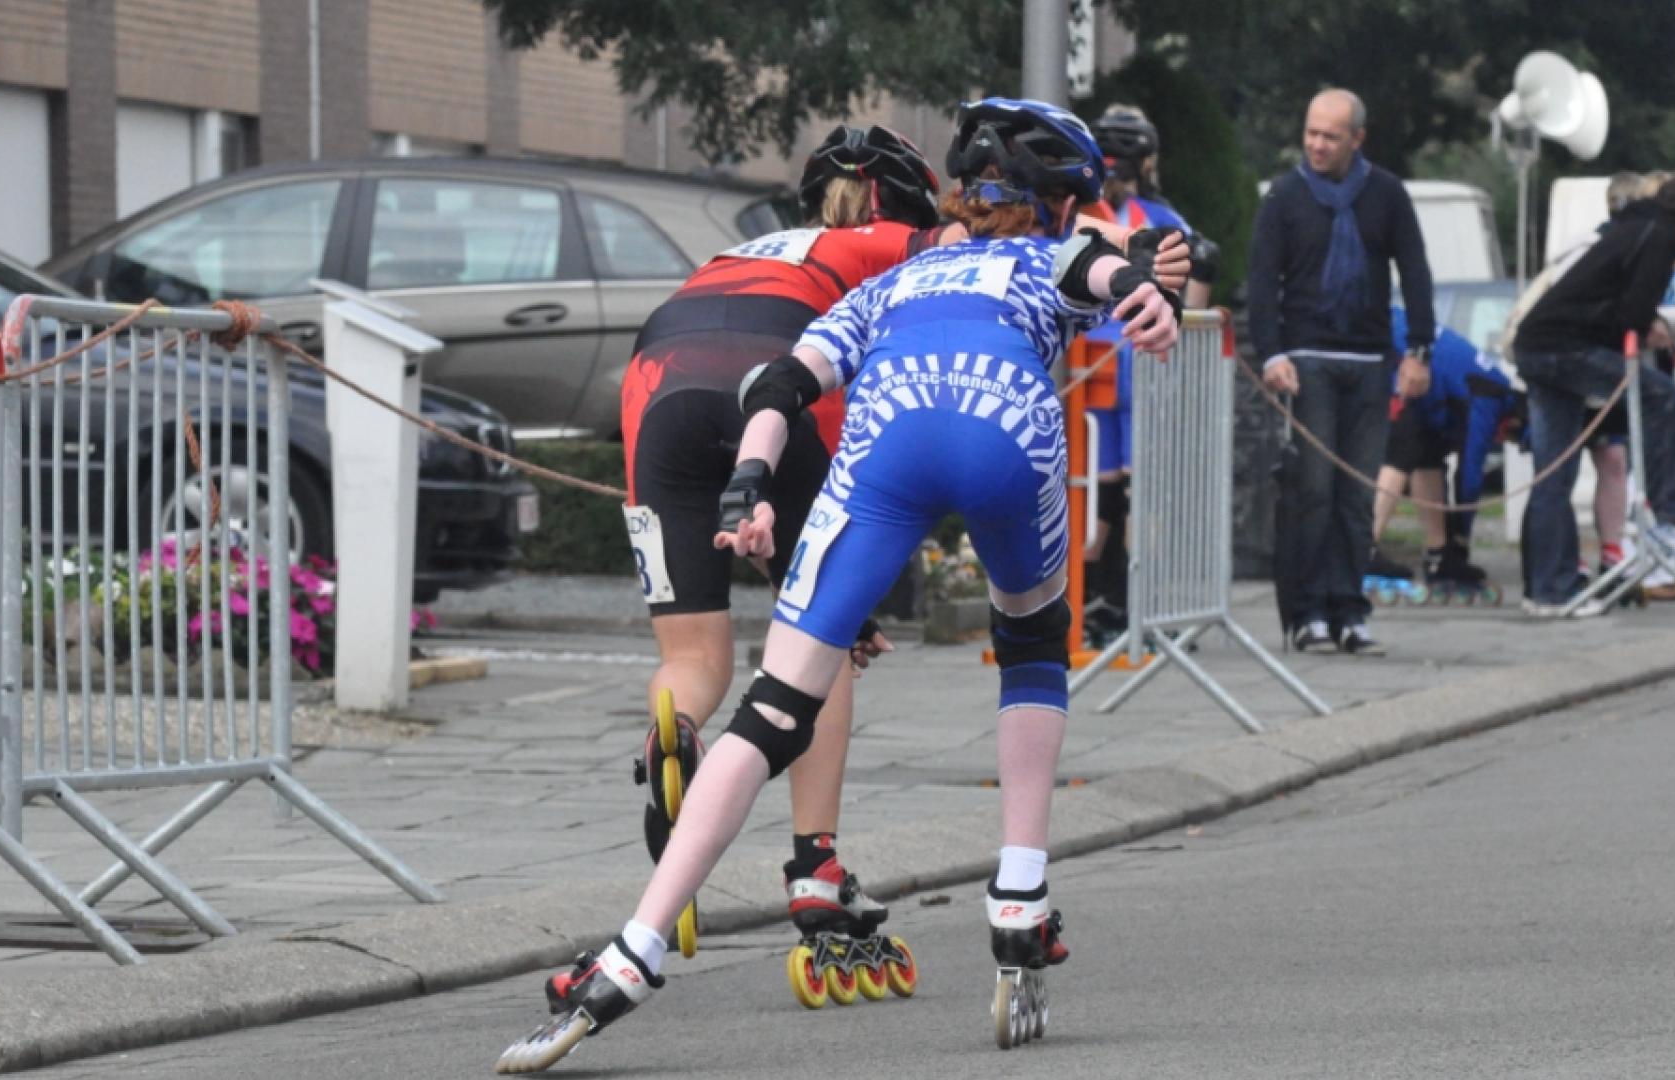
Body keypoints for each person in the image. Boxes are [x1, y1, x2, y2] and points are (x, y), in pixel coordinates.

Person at [498, 97, 1184, 1073]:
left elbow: (783, 382)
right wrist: (1147, 292)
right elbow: (1107, 269)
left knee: (772, 709)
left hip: (878, 442)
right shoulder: (1048, 256)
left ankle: (627, 958)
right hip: (1004, 428)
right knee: (1032, 645)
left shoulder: (891, 282)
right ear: (1062, 203)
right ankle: (1019, 898)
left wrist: (749, 483)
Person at [617, 124, 946, 953]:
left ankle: (677, 733)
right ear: (898, 204)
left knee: (693, 657)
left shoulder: (745, 246)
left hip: (657, 384)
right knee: (818, 639)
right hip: (771, 367)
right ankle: (815, 864)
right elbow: (987, 247)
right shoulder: (887, 242)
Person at [1250, 88, 1435, 657]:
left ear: (1358, 138)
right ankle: (1307, 613)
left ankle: (1350, 610)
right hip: (1308, 360)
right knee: (1313, 490)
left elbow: (1414, 268)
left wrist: (1419, 349)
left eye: (1330, 136)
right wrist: (1272, 354)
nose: (1317, 145)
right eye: (1311, 133)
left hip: (1370, 360)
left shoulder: (1387, 194)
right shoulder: (1285, 195)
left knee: (1357, 495)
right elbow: (1263, 280)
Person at [1511, 175, 1675, 615]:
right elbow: (1634, 314)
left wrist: (1651, 323)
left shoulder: (1629, 226)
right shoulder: (1660, 238)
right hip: (1566, 349)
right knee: (1661, 397)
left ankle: (1547, 591)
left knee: (1553, 473)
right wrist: (1665, 326)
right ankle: (1664, 516)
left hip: (1536, 346)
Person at [1076, 104, 1211, 645]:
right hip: (1143, 360)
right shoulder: (1156, 216)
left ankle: (1091, 605)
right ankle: (1134, 606)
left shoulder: (1081, 214)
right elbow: (1199, 269)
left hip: (1090, 363)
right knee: (1142, 491)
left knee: (1098, 490)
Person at [1369, 308, 1523, 598]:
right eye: (1509, 437)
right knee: (1402, 450)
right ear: (1513, 421)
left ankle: (1438, 555)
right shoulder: (1489, 397)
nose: (1501, 441)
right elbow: (1469, 477)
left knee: (1428, 454)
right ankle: (1363, 548)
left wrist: (1450, 548)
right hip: (1388, 348)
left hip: (1398, 346)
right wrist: (1461, 540)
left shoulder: (1490, 385)